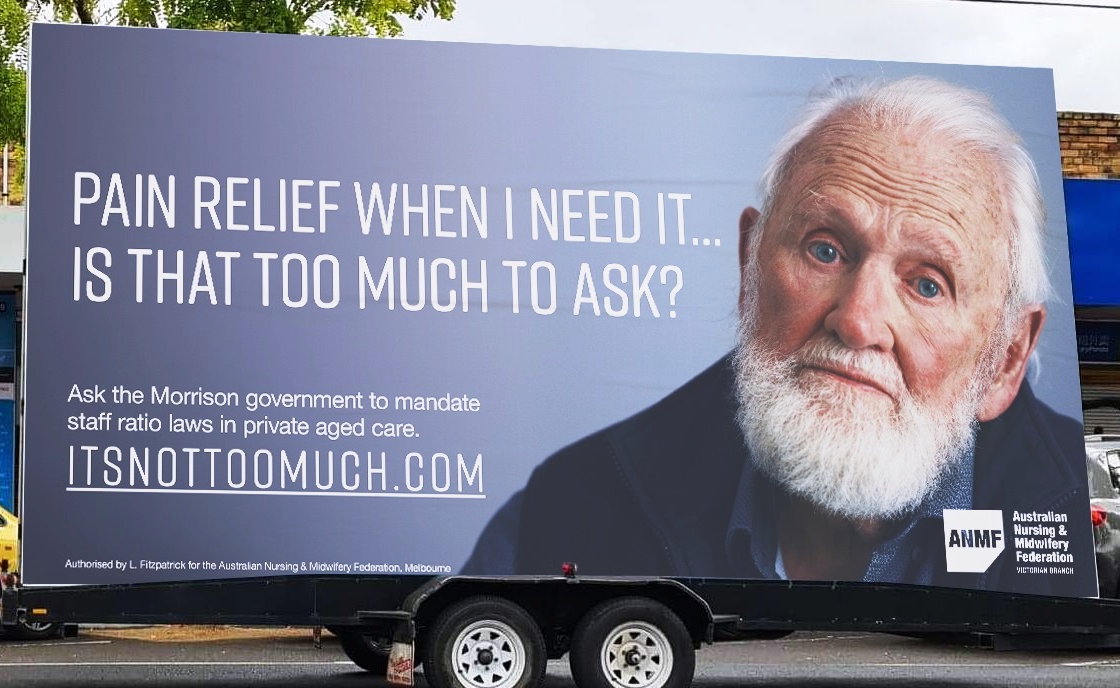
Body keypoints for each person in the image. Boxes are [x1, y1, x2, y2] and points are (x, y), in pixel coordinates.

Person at [464, 75, 1090, 596]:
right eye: (825, 250)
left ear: (1007, 360)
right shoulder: (568, 506)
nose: (860, 321)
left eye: (928, 285)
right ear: (749, 266)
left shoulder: (1073, 511)